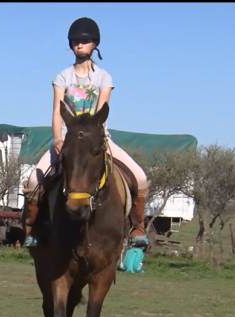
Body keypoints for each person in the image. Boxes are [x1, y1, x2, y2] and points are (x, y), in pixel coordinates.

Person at [22, 17, 150, 248]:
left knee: (140, 177)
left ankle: (136, 228)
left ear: (94, 44)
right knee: (33, 181)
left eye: (85, 41)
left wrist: (96, 140)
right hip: (68, 140)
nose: (79, 45)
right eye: (75, 41)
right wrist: (58, 138)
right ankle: (33, 228)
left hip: (98, 139)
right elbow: (56, 112)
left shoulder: (103, 78)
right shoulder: (62, 77)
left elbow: (101, 113)